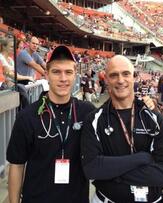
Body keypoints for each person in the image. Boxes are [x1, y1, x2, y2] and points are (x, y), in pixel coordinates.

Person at [81, 55, 163, 203]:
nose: (120, 80)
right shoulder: (94, 120)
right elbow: (92, 169)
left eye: (126, 74)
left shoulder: (154, 118)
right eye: (114, 75)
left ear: (134, 77)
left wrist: (110, 172)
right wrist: (142, 158)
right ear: (106, 80)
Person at [6, 45, 96, 203]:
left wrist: (145, 105)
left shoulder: (87, 112)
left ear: (75, 75)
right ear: (46, 74)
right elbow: (17, 165)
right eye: (56, 72)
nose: (63, 78)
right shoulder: (27, 116)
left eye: (68, 72)